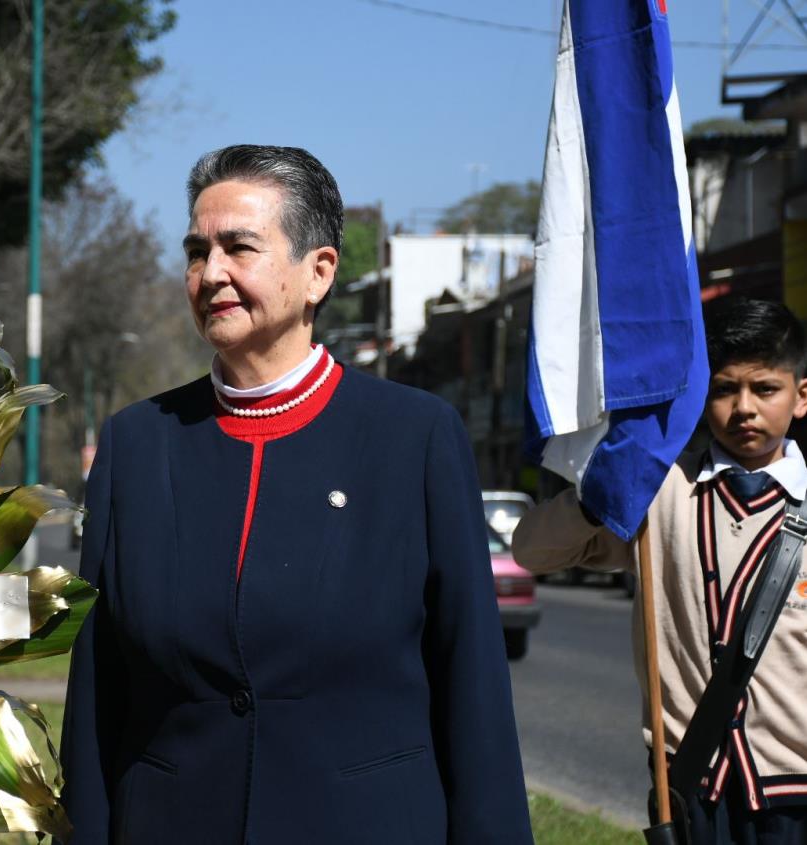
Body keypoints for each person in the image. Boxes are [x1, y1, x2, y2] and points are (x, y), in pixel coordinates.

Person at [60, 144, 532, 844]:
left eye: (238, 247)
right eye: (196, 251)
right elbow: (97, 694)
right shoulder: (135, 444)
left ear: (317, 273)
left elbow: (472, 685)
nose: (210, 272)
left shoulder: (415, 437)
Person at [513, 297, 807, 842]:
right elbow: (532, 551)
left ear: (801, 396)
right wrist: (605, 487)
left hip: (796, 793)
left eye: (765, 389)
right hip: (691, 789)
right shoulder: (661, 490)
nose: (744, 408)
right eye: (724, 389)